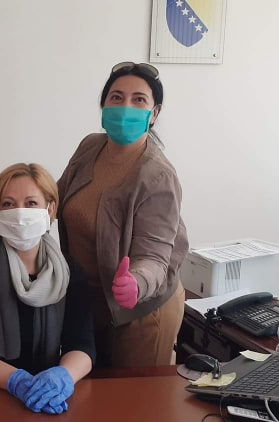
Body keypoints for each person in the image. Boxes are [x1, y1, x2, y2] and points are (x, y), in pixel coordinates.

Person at [57, 61, 188, 368]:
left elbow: (155, 258)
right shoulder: (90, 146)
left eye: (139, 99)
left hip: (142, 310)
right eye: (116, 97)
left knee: (132, 396)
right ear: (104, 104)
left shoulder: (157, 176)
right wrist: (18, 195)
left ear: (154, 113)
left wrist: (137, 283)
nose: (125, 107)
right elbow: (57, 195)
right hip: (92, 301)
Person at [0, 163, 95, 414]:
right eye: (8, 204)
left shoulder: (70, 272)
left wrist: (63, 377)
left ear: (50, 209)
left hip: (49, 400)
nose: (19, 212)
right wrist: (17, 382)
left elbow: (82, 346)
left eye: (31, 203)